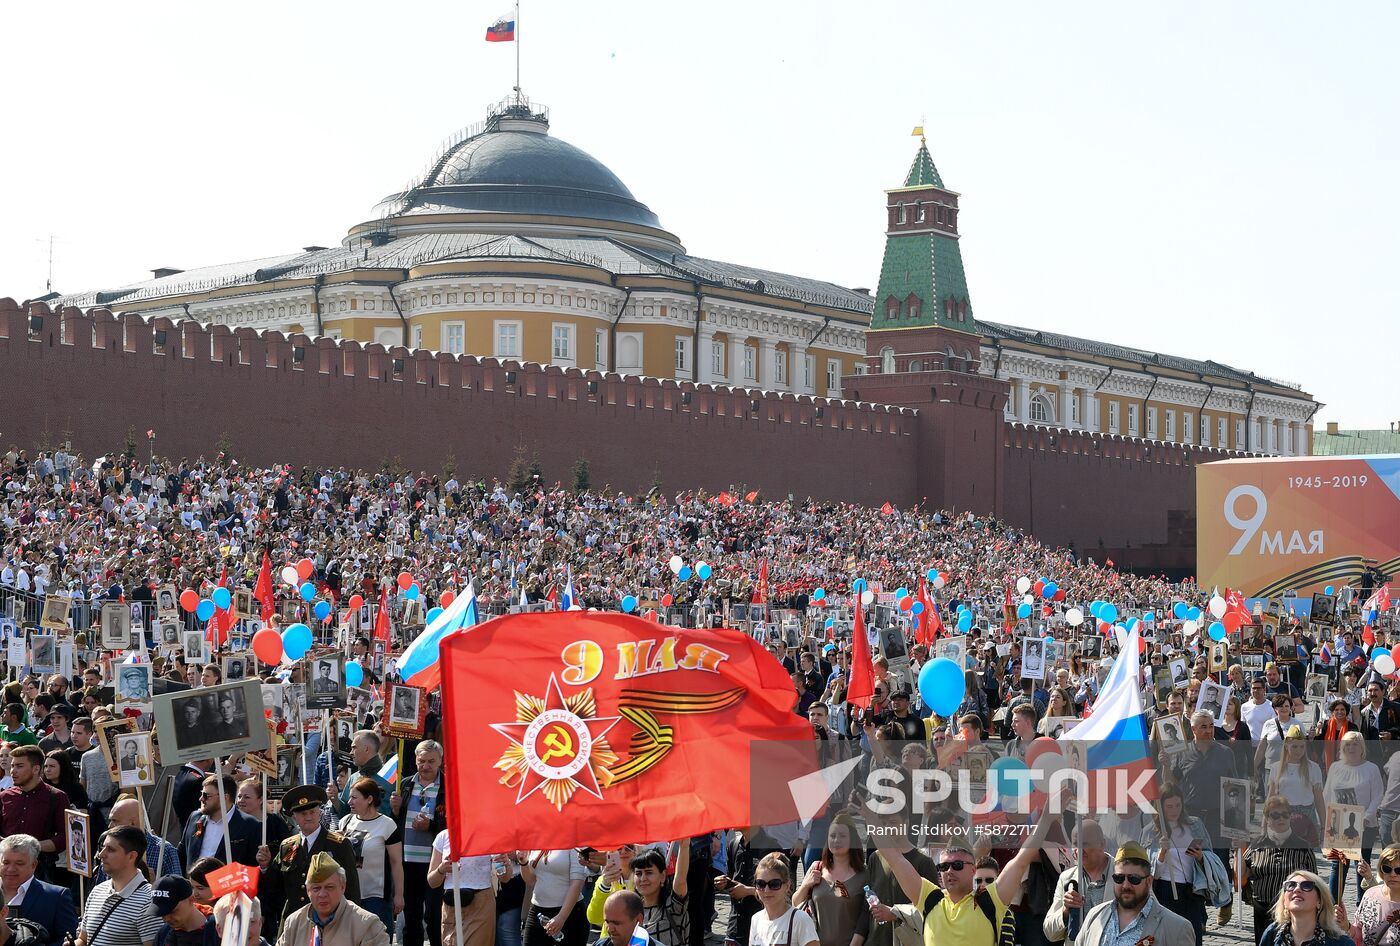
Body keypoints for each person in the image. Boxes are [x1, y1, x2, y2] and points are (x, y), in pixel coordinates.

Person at [875, 803, 1060, 946]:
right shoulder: (929, 899)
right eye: (943, 867)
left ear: (973, 869)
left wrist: (1045, 819)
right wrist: (868, 817)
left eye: (956, 865)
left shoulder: (989, 901)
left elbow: (1022, 859)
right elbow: (894, 858)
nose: (949, 871)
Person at [256, 785, 360, 924]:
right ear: (294, 816)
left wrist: (350, 922)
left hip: (328, 920)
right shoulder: (288, 846)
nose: (309, 817)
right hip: (294, 920)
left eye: (312, 812)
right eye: (303, 814)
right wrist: (265, 866)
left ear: (319, 813)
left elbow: (351, 887)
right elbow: (275, 884)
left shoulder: (339, 845)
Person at [1075, 843, 1196, 946]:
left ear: (1149, 881)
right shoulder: (1095, 915)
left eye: (1134, 879)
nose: (1126, 885)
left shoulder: (1177, 928)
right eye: (1119, 878)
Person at [391, 741, 447, 946]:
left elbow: (453, 825)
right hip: (407, 861)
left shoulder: (448, 786)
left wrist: (430, 826)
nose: (425, 766)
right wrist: (395, 810)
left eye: (431, 761)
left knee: (433, 917)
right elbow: (395, 824)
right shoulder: (405, 784)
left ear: (440, 761)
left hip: (436, 863)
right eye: (421, 761)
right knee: (411, 917)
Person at [1142, 785, 1211, 946]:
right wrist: (1162, 854)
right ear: (1161, 807)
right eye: (1169, 806)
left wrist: (1200, 856)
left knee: (1193, 937)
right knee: (1164, 938)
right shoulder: (1150, 832)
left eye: (1178, 805)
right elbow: (1152, 874)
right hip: (1164, 891)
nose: (1174, 810)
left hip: (1191, 890)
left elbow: (1209, 857)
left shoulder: (1194, 824)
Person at [1242, 796, 1319, 942]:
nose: (1280, 819)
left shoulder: (1303, 846)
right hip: (1262, 908)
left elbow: (1314, 882)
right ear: (1267, 818)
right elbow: (1240, 876)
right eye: (1275, 815)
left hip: (1292, 910)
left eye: (1285, 815)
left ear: (1290, 816)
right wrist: (1238, 849)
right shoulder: (1256, 844)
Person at [336, 777, 403, 934]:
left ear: (369, 799)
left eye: (354, 797)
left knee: (376, 939)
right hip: (348, 893)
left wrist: (399, 895)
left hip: (376, 896)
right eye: (349, 797)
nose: (349, 801)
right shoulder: (345, 821)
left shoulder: (387, 825)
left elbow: (396, 862)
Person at [275, 852, 388, 946]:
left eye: (329, 887)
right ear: (307, 891)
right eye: (316, 888)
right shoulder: (294, 923)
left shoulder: (366, 925)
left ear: (342, 887)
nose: (322, 894)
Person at [1323, 730, 1385, 901]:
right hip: (1339, 823)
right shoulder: (1335, 767)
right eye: (1348, 744)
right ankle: (1333, 906)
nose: (1351, 747)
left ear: (1362, 747)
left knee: (1362, 865)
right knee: (1338, 865)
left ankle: (1362, 904)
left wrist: (1367, 816)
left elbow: (1378, 795)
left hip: (1365, 824)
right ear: (1343, 747)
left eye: (1355, 744)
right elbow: (1327, 794)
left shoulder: (1371, 769)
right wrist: (1327, 820)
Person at [76, 826, 163, 946]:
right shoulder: (97, 891)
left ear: (131, 856)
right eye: (102, 847)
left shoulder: (149, 901)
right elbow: (83, 940)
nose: (101, 854)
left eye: (110, 850)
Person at [792, 816, 869, 946]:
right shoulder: (816, 867)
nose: (836, 840)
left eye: (842, 836)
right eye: (832, 836)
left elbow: (866, 917)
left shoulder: (865, 874)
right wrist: (806, 885)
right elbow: (795, 902)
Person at [0, 747, 68, 881]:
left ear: (36, 769)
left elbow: (64, 838)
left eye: (19, 766)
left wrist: (31, 846)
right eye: (12, 766)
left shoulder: (57, 797)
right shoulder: (4, 797)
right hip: (5, 871)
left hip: (40, 872)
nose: (13, 771)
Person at [0, 835, 77, 946]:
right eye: (6, 862)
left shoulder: (56, 897)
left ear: (34, 865)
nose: (11, 869)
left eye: (19, 863)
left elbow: (70, 938)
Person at [1044, 819, 1110, 945]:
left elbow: (1152, 917)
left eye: (1084, 844)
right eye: (1075, 844)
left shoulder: (1123, 876)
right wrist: (1065, 911)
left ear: (1102, 844)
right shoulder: (1066, 878)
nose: (1079, 850)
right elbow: (1049, 932)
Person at [425, 829, 494, 946]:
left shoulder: (489, 835)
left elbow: (505, 877)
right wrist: (441, 869)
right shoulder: (443, 836)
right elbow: (432, 881)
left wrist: (505, 864)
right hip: (451, 905)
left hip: (480, 903)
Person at [178, 775, 260, 871]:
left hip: (227, 884)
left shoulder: (250, 825)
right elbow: (181, 853)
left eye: (206, 795)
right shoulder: (195, 817)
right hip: (193, 884)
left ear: (224, 797)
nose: (201, 799)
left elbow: (253, 866)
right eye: (201, 794)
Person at [94, 799, 181, 885]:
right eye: (110, 820)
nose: (110, 826)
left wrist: (155, 884)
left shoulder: (164, 850)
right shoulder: (106, 846)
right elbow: (100, 888)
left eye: (115, 821)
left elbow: (178, 891)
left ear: (133, 823)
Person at [1259, 870, 1351, 946]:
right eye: (1291, 885)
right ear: (1284, 901)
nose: (1297, 889)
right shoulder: (1272, 934)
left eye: (1306, 886)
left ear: (1319, 901)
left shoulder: (1341, 943)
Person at [1265, 726, 1325, 843]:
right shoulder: (1276, 767)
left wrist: (1323, 826)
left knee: (1307, 856)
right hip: (1283, 817)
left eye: (1302, 747)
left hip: (1307, 816)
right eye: (1295, 747)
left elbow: (1319, 799)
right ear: (1287, 747)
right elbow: (1271, 799)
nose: (1299, 751)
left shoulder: (1313, 767)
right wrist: (1265, 823)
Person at [747, 853, 817, 946]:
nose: (767, 890)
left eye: (774, 884)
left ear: (787, 886)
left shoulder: (800, 919)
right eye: (761, 884)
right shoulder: (756, 919)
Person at [328, 732, 391, 817]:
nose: (350, 752)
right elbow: (346, 812)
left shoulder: (392, 777)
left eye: (354, 748)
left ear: (366, 749)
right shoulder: (354, 777)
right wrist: (335, 800)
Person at [1351, 844, 1400, 946]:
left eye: (1398, 870)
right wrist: (1345, 926)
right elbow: (1357, 931)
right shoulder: (1370, 895)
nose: (1393, 874)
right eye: (1387, 868)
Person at [149, 876, 218, 946]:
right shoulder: (164, 933)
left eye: (172, 911)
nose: (166, 919)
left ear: (191, 899)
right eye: (162, 913)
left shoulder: (218, 929)